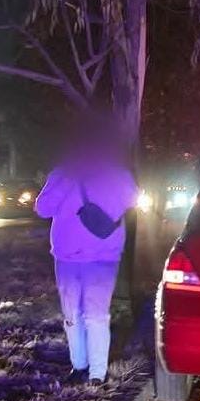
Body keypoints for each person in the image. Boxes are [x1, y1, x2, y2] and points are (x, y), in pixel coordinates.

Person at [34, 130, 138, 384]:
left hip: (91, 257)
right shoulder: (69, 174)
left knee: (88, 314)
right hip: (80, 257)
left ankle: (92, 372)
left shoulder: (108, 174)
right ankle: (84, 368)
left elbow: (132, 199)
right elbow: (43, 208)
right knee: (80, 314)